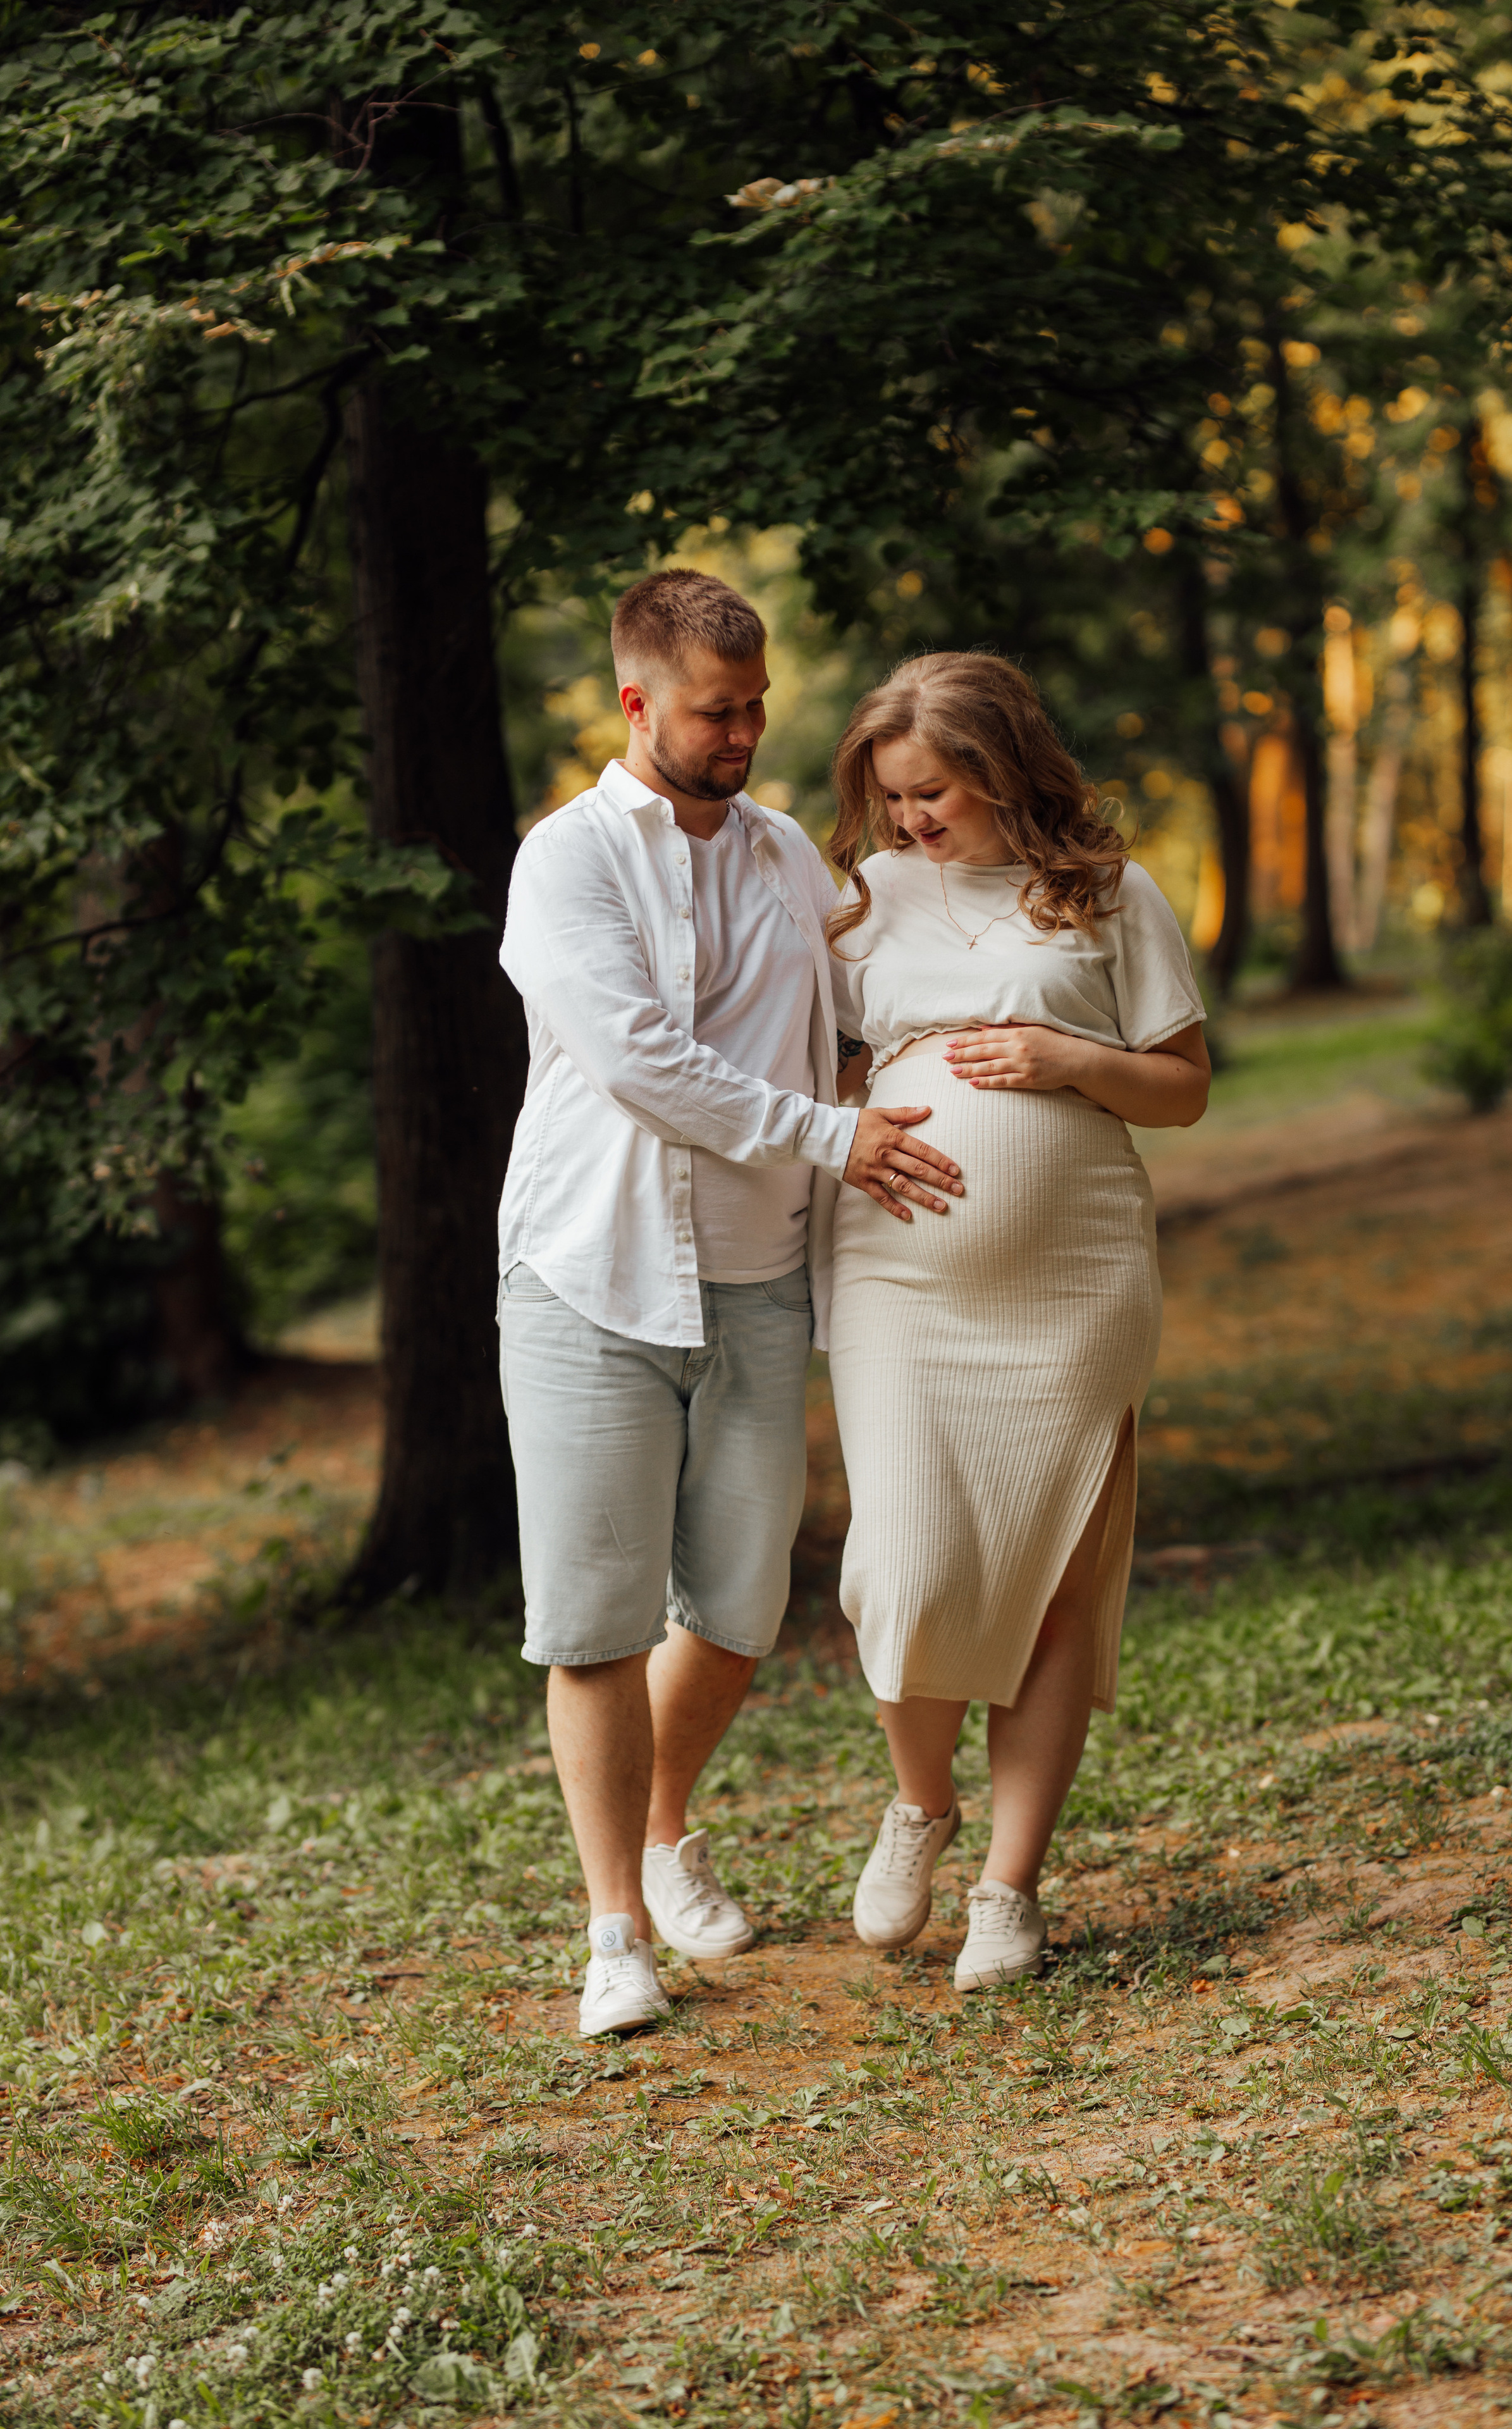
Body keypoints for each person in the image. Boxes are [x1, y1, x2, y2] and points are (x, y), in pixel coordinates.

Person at [495, 571, 964, 2037]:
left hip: (757, 1280)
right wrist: (834, 1135)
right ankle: (614, 1934)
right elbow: (640, 1062)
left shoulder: (785, 858)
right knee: (593, 1627)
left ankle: (658, 1827)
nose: (743, 734)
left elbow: (873, 1001)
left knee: (743, 1608)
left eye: (756, 705)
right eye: (714, 711)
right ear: (636, 702)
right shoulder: (565, 861)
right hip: (588, 1273)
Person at [827, 651, 1211, 1992]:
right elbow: (821, 1070)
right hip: (898, 1276)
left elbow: (1181, 1089)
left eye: (930, 792)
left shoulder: (1109, 894)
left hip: (1075, 1276)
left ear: (998, 770)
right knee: (903, 1563)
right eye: (891, 796)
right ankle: (919, 1802)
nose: (908, 819)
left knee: (1052, 1585)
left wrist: (1067, 1060)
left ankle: (1008, 1887)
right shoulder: (861, 902)